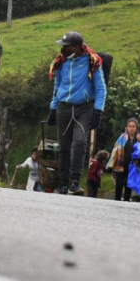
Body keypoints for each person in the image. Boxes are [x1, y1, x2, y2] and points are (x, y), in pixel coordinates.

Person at [45, 31, 106, 195]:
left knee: (79, 142)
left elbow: (101, 89)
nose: (63, 50)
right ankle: (63, 184)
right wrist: (53, 108)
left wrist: (98, 111)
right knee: (64, 146)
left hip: (84, 108)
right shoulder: (60, 63)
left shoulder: (92, 62)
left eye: (67, 47)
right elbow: (57, 86)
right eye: (62, 47)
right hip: (63, 107)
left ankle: (75, 182)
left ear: (77, 47)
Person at [108, 119, 139, 201]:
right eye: (130, 126)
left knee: (128, 185)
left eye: (133, 126)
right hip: (121, 165)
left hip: (132, 167)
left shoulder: (139, 139)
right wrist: (111, 163)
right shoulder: (122, 138)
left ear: (136, 128)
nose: (131, 128)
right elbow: (115, 150)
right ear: (127, 128)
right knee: (119, 184)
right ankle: (117, 200)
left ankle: (127, 200)